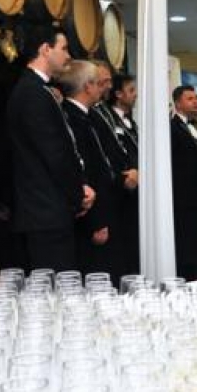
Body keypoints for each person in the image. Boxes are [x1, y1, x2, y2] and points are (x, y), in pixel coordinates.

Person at [6, 27, 94, 271]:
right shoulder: (32, 93)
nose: (68, 56)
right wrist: (78, 194)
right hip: (45, 212)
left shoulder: (38, 90)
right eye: (63, 48)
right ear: (45, 49)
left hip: (48, 210)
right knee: (56, 286)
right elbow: (55, 154)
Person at [57, 60, 112, 272]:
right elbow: (86, 171)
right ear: (88, 86)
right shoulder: (73, 117)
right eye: (98, 83)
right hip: (89, 218)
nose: (102, 88)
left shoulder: (86, 115)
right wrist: (97, 222)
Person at [170, 85, 197, 280]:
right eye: (190, 99)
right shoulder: (172, 128)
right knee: (185, 246)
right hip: (183, 199)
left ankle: (196, 278)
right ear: (178, 104)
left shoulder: (196, 127)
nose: (196, 102)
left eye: (196, 98)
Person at [107, 73, 140, 273]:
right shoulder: (109, 120)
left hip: (135, 193)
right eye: (131, 90)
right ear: (118, 94)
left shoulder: (131, 122)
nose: (135, 94)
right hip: (121, 190)